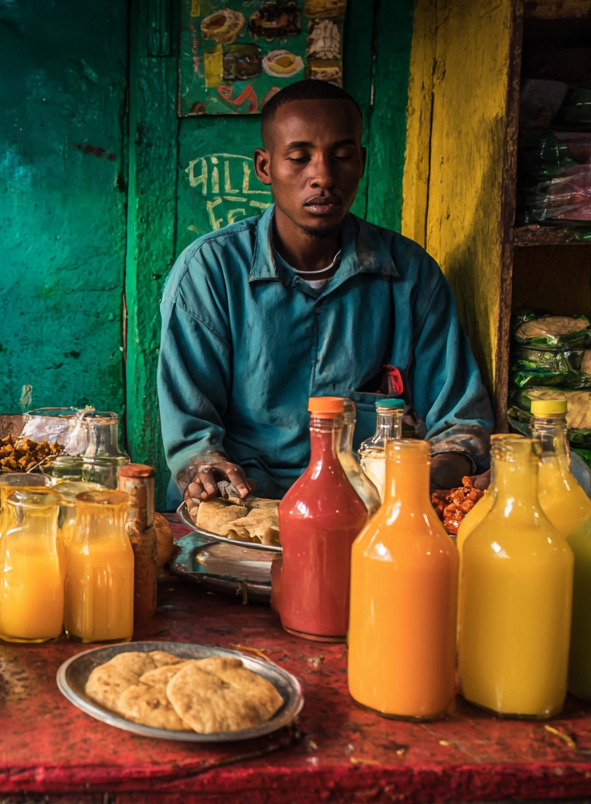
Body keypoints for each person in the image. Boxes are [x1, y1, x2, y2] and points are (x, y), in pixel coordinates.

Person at [158, 80, 493, 506]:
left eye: (343, 157)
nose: (323, 176)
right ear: (264, 167)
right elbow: (193, 434)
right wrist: (204, 466)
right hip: (244, 509)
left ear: (362, 162)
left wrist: (429, 475)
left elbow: (460, 419)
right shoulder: (209, 271)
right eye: (299, 158)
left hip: (369, 509)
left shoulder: (411, 274)